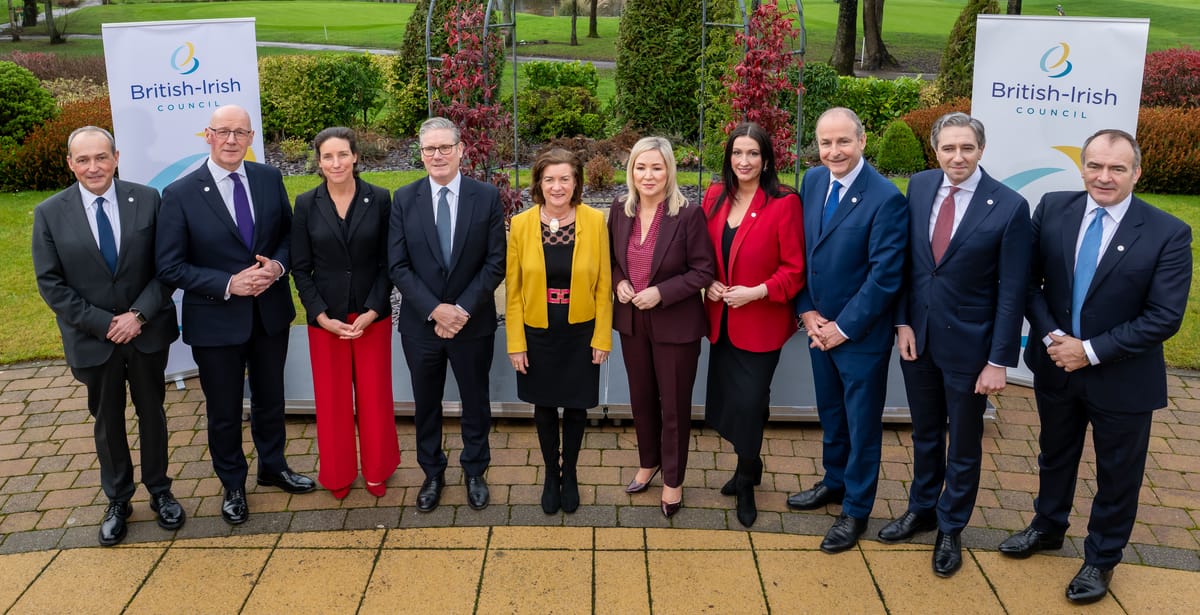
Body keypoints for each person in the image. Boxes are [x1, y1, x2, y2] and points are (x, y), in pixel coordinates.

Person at [998, 129, 1191, 604]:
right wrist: (1053, 338)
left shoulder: (1167, 233)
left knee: (1117, 474)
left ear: (1136, 173)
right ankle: (1047, 526)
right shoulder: (1053, 209)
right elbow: (1028, 282)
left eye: (1117, 168)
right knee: (1055, 453)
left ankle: (1102, 558)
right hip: (1056, 365)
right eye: (1095, 166)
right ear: (1082, 166)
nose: (1104, 177)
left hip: (1122, 377)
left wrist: (1088, 350)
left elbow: (1163, 317)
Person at [879, 113, 1031, 577]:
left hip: (972, 348)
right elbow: (909, 265)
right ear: (936, 150)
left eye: (967, 148)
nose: (957, 157)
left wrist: (998, 360)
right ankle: (922, 509)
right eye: (948, 148)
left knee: (963, 443)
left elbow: (1013, 292)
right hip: (918, 339)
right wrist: (902, 322)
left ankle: (951, 526)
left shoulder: (1010, 206)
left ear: (981, 149)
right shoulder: (921, 186)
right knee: (925, 433)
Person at [157, 105, 316, 526]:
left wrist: (276, 267)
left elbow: (288, 235)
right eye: (223, 131)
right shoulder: (180, 194)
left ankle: (273, 466)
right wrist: (229, 283)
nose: (231, 140)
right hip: (215, 321)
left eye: (240, 132)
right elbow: (170, 266)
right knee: (224, 410)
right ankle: (232, 484)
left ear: (250, 138)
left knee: (271, 398)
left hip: (269, 313)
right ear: (207, 135)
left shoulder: (268, 178)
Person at [32, 126, 184, 546]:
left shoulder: (148, 200)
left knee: (152, 412)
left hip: (146, 332)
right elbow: (51, 284)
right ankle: (118, 499)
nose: (93, 167)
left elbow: (167, 267)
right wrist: (105, 323)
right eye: (83, 159)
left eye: (101, 157)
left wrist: (138, 315)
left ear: (116, 158)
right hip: (93, 340)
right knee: (107, 419)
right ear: (70, 164)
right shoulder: (50, 212)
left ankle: (160, 490)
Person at [788, 107, 908, 553]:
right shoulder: (814, 180)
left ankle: (856, 509)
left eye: (843, 141)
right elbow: (804, 252)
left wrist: (843, 327)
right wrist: (806, 312)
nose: (834, 151)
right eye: (826, 142)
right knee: (832, 414)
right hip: (818, 328)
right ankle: (834, 481)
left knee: (861, 426)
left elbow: (885, 277)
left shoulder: (886, 198)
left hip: (859, 337)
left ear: (862, 141)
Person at [389, 117, 506, 513]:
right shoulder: (404, 199)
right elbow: (398, 265)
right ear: (421, 154)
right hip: (421, 325)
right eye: (429, 149)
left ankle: (475, 470)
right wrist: (435, 309)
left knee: (475, 400)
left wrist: (460, 309)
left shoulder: (485, 197)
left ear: (460, 150)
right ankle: (432, 473)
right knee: (426, 403)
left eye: (444, 147)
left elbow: (495, 262)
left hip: (472, 323)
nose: (437, 155)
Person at [703, 123, 806, 528]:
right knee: (732, 403)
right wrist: (707, 282)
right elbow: (701, 253)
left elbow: (794, 269)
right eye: (737, 153)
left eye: (752, 154)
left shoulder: (784, 203)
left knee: (749, 402)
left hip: (761, 322)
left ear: (766, 161)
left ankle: (746, 479)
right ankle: (750, 461)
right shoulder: (714, 196)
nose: (743, 161)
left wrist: (758, 291)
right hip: (721, 320)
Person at [291, 127, 399, 499]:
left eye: (342, 155)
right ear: (319, 162)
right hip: (327, 321)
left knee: (375, 398)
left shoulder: (379, 198)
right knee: (332, 401)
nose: (336, 163)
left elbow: (389, 262)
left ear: (355, 157)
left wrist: (374, 309)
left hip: (371, 317)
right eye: (328, 156)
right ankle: (337, 473)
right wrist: (320, 315)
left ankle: (378, 469)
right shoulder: (306, 204)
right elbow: (300, 268)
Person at [610, 137, 715, 517]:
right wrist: (619, 282)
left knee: (673, 406)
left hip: (675, 325)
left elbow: (704, 270)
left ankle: (673, 479)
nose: (648, 175)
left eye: (657, 167)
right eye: (641, 167)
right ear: (631, 171)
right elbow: (612, 260)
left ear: (669, 171)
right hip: (632, 322)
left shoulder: (688, 215)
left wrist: (661, 293)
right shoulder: (620, 210)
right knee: (641, 399)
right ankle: (648, 461)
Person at [507, 148, 612, 514]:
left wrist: (602, 337)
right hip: (538, 329)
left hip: (581, 329)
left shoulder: (595, 221)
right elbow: (514, 290)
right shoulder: (521, 224)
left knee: (577, 406)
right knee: (545, 405)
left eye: (565, 178)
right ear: (539, 183)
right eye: (549, 179)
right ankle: (552, 474)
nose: (557, 186)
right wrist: (516, 343)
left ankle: (571, 474)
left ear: (576, 182)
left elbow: (604, 285)